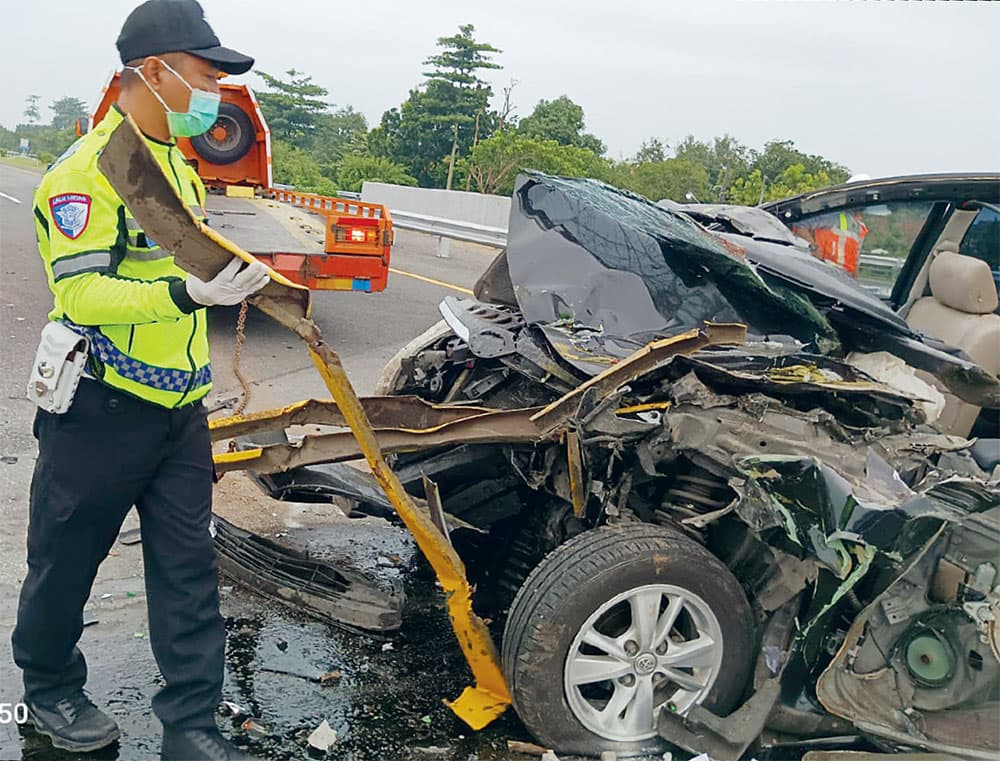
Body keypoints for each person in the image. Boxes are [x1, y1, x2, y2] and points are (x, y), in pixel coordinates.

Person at [12, 2, 268, 759]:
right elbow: (81, 293)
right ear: (152, 72)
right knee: (66, 560)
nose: (215, 94)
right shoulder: (87, 173)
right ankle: (49, 690)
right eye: (205, 77)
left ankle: (191, 724)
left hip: (178, 410)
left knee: (189, 572)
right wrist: (187, 294)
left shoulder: (177, 167)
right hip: (102, 407)